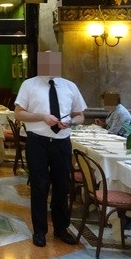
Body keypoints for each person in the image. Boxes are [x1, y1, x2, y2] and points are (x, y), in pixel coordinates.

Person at [14, 51, 86, 248]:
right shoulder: (29, 85)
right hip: (37, 142)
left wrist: (71, 122)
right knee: (39, 186)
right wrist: (42, 117)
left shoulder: (70, 86)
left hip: (62, 141)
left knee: (62, 186)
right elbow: (18, 113)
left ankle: (61, 229)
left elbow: (80, 115)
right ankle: (39, 231)